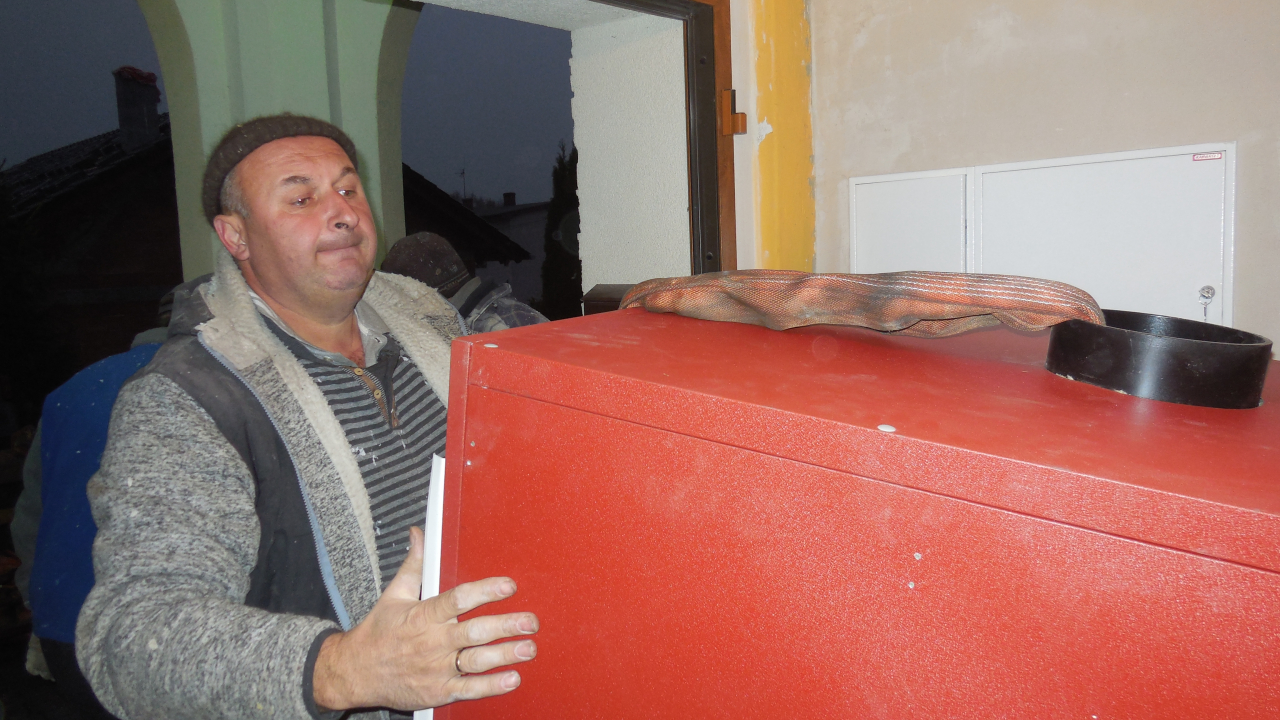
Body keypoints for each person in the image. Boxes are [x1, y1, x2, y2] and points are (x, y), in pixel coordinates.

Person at [76, 114, 538, 720]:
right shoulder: (186, 399)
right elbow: (132, 640)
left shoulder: (432, 323)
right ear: (235, 236)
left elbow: (537, 387)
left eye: (348, 189)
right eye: (301, 198)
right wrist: (344, 669)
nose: (343, 212)